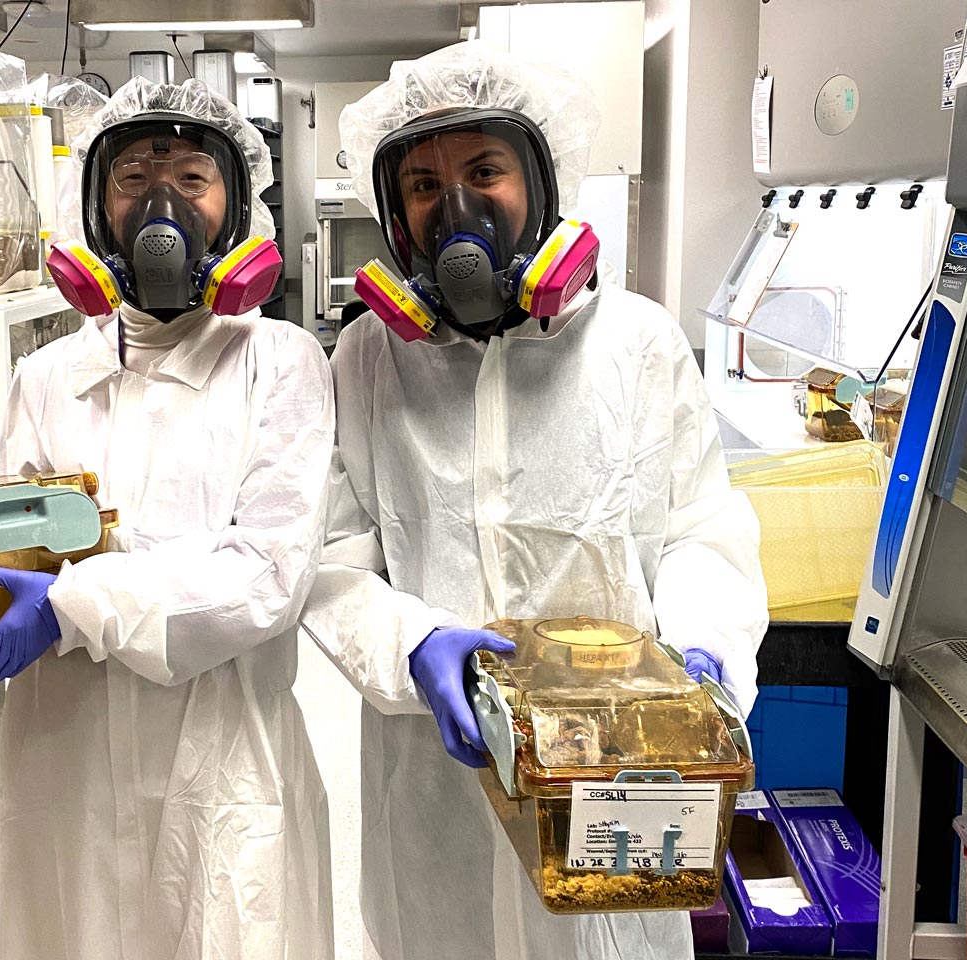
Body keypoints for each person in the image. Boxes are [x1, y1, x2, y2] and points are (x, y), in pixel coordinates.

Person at [300, 42, 769, 960]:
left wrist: (706, 648)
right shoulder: (367, 358)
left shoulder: (637, 343)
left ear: (543, 181)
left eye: (485, 171)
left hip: (621, 759)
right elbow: (331, 552)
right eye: (425, 186)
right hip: (438, 772)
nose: (458, 208)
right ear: (394, 214)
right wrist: (413, 645)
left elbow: (702, 531)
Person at [0, 77, 336, 960]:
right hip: (67, 750)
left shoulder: (279, 362)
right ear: (93, 209)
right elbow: (18, 546)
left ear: (237, 209)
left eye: (194, 179)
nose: (163, 205)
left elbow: (265, 577)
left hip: (222, 753)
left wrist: (72, 605)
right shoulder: (46, 376)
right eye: (131, 180)